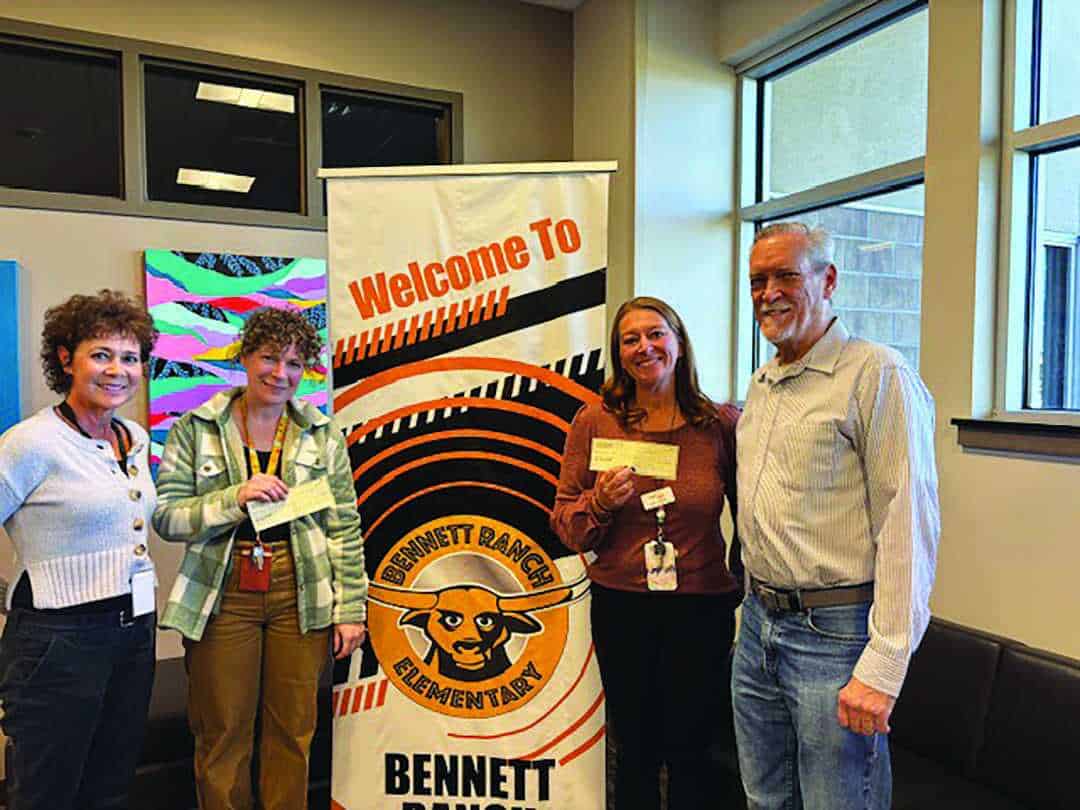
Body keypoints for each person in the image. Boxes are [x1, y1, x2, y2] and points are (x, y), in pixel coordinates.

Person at [733, 222, 940, 809]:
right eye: (757, 280)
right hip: (759, 627)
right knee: (765, 799)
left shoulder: (877, 375)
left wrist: (885, 663)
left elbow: (908, 523)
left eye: (785, 276)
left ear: (828, 280)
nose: (768, 292)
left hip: (836, 637)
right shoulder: (764, 384)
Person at [153, 306, 367, 810]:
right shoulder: (197, 427)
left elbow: (344, 525)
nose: (280, 373)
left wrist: (351, 608)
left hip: (303, 589)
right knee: (223, 729)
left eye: (294, 364)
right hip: (223, 592)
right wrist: (235, 498)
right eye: (270, 358)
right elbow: (166, 518)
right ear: (246, 358)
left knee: (293, 730)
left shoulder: (321, 433)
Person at [551, 296, 742, 810]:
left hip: (700, 608)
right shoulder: (596, 422)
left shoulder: (719, 425)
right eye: (630, 339)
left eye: (656, 334)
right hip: (622, 606)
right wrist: (600, 503)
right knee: (634, 747)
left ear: (679, 344)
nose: (644, 347)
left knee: (694, 748)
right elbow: (567, 525)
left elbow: (753, 515)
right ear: (619, 353)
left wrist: (739, 582)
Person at [0, 290, 159, 810]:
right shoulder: (32, 443)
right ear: (66, 358)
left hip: (132, 631)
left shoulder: (132, 437)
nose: (118, 370)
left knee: (110, 786)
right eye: (101, 354)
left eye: (130, 358)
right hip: (57, 640)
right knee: (47, 792)